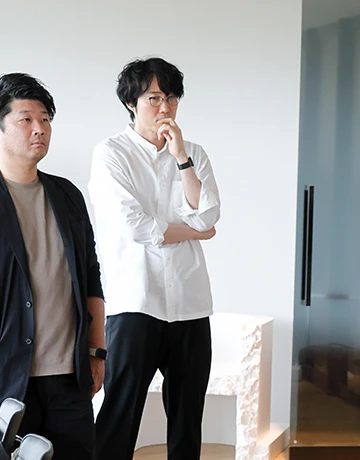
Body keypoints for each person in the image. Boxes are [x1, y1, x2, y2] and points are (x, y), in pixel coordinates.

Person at [89, 57, 220, 460]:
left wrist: (181, 157)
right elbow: (137, 227)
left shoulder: (193, 152)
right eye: (154, 98)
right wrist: (194, 231)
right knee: (120, 415)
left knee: (187, 421)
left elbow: (210, 214)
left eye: (172, 98)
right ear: (132, 102)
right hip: (135, 302)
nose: (165, 109)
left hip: (190, 303)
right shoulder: (111, 153)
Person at [0, 73, 105, 459]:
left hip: (68, 377)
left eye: (45, 119)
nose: (39, 129)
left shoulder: (67, 195)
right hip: (9, 378)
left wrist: (97, 353)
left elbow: (91, 276)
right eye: (26, 119)